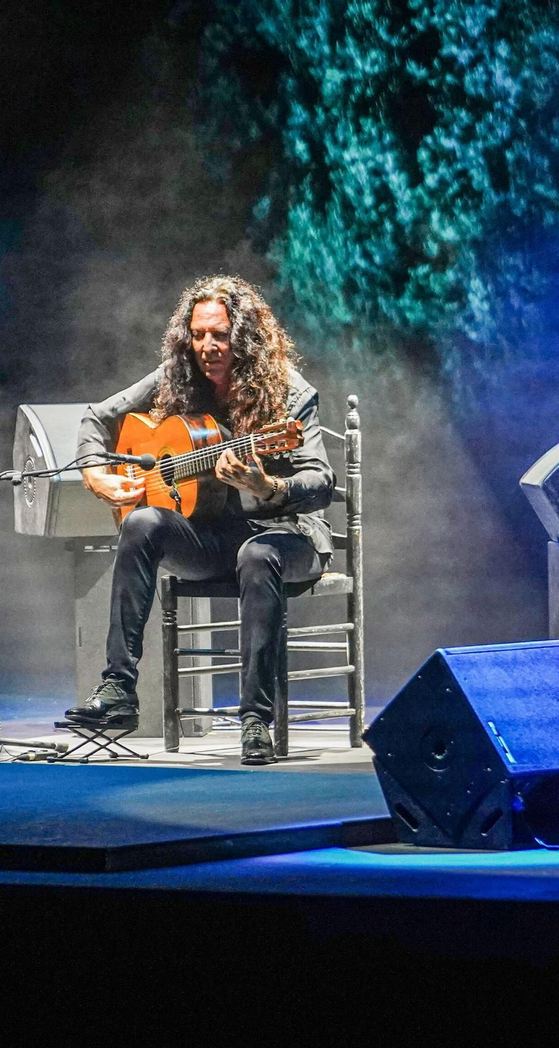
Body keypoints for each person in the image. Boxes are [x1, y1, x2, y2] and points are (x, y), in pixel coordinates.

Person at [73, 276, 333, 764]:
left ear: (246, 337)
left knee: (258, 555)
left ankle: (255, 721)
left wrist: (267, 487)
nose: (207, 346)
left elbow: (321, 482)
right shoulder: (178, 375)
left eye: (220, 335)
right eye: (198, 335)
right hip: (214, 537)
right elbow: (96, 417)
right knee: (141, 523)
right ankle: (119, 688)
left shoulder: (289, 392)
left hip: (287, 537)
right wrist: (95, 475)